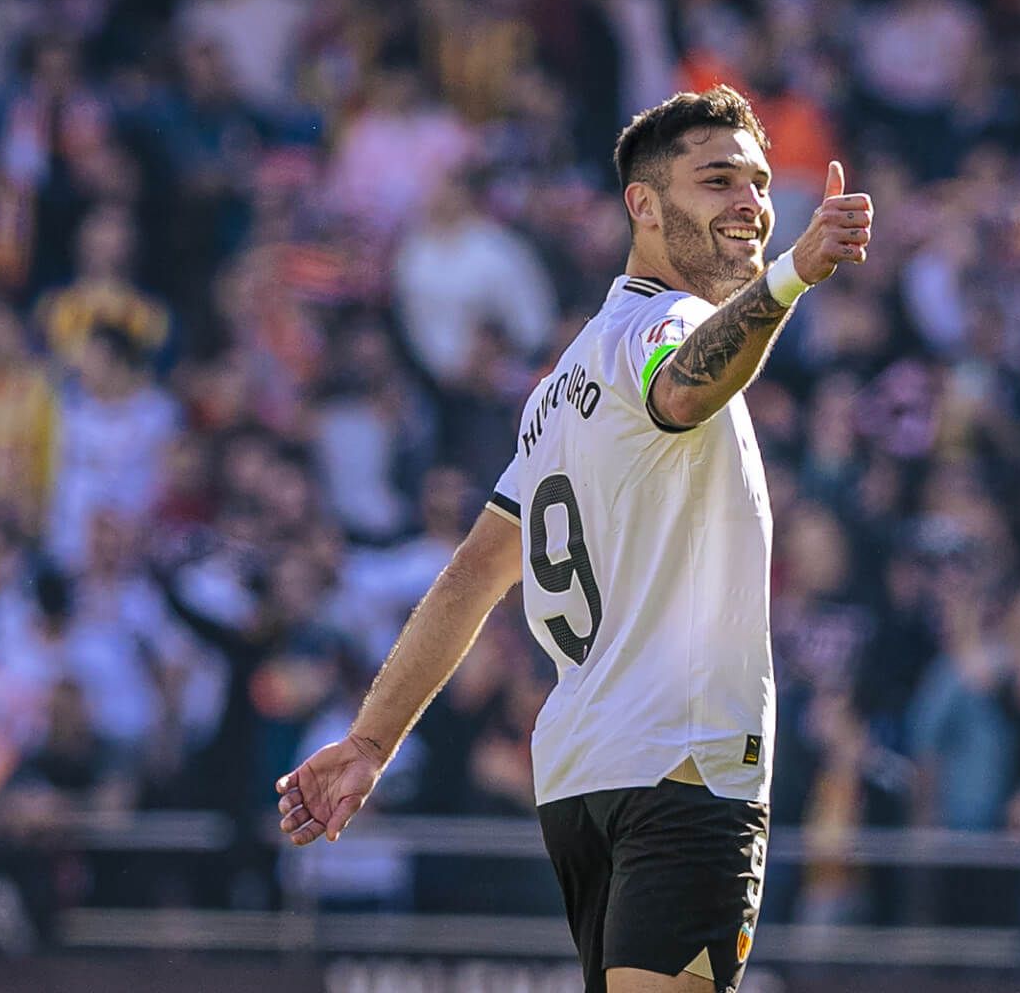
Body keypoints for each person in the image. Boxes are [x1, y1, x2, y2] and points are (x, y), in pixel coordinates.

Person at [275, 84, 873, 992]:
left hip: (584, 776)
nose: (751, 204)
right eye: (717, 181)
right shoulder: (659, 328)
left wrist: (370, 742)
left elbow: (475, 573)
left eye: (758, 183)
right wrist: (793, 275)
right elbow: (684, 387)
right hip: (681, 762)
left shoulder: (558, 387)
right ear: (643, 203)